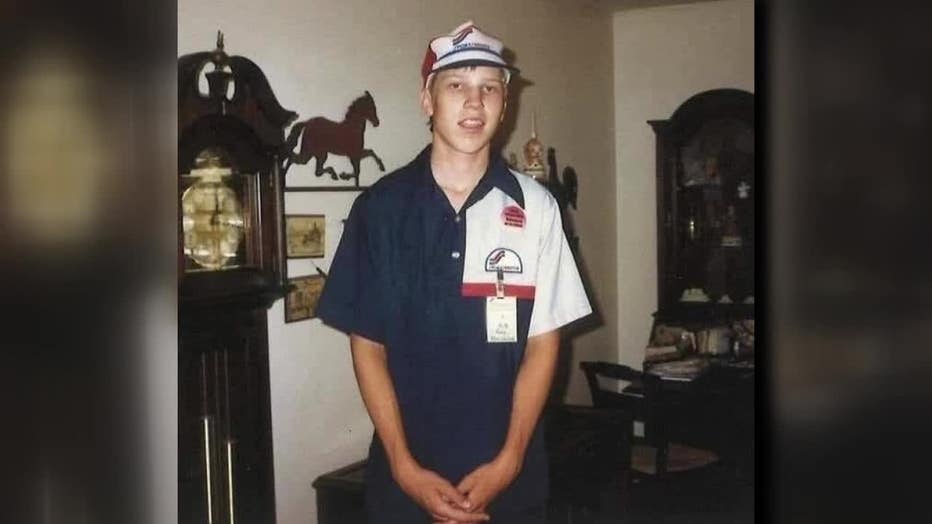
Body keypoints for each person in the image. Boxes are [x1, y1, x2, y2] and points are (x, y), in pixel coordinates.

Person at [316, 20, 591, 524]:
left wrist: (509, 461)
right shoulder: (379, 209)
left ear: (504, 105)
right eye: (456, 85)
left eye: (489, 88)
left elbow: (543, 344)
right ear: (427, 100)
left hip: (512, 486)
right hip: (403, 488)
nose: (474, 102)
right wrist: (404, 468)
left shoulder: (537, 208)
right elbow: (368, 346)